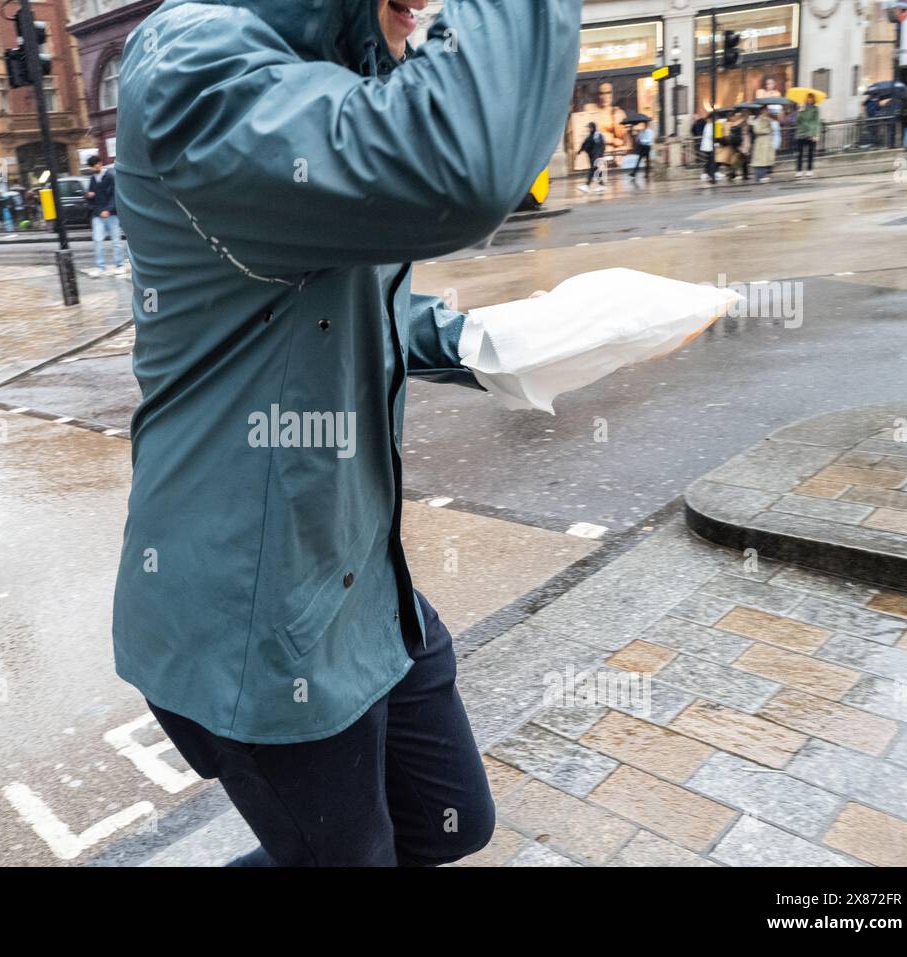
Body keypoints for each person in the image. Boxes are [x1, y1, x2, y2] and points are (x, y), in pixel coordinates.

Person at [112, 0, 578, 866]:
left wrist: (497, 343)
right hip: (254, 618)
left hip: (361, 583)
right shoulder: (192, 60)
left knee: (451, 821)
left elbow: (363, 301)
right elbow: (458, 168)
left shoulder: (330, 73)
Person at [85, 155, 128, 276]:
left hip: (111, 215)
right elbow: (90, 198)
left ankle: (119, 265)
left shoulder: (109, 177)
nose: (95, 167)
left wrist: (108, 209)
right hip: (97, 215)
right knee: (98, 241)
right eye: (93, 166)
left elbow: (115, 195)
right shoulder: (92, 179)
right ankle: (100, 267)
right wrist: (88, 196)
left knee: (116, 241)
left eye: (97, 164)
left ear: (100, 163)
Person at [794, 93, 821, 177]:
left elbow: (817, 122)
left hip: (811, 133)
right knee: (799, 153)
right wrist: (799, 112)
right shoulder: (801, 107)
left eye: (811, 98)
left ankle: (810, 169)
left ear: (813, 99)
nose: (809, 99)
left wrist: (817, 134)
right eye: (808, 98)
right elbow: (798, 122)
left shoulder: (815, 109)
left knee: (810, 153)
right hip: (801, 133)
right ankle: (798, 170)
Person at [576, 122, 606, 192]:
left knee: (593, 169)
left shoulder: (597, 136)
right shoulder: (591, 135)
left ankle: (587, 185)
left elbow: (601, 146)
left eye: (589, 127)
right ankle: (601, 185)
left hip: (596, 156)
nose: (589, 129)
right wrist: (580, 150)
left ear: (592, 128)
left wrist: (599, 155)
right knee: (596, 171)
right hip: (593, 156)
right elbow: (585, 143)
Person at [751, 106, 776, 183]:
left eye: (767, 110)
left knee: (766, 159)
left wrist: (769, 125)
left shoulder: (769, 120)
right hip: (761, 142)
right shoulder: (758, 120)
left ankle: (764, 175)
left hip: (768, 141)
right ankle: (760, 176)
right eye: (765, 110)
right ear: (761, 111)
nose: (766, 112)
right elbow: (757, 130)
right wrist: (767, 130)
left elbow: (772, 129)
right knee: (760, 159)